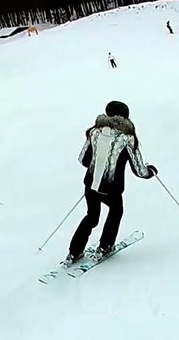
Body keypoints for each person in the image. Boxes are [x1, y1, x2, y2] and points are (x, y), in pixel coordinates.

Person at [65, 100, 158, 264]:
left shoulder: (94, 132)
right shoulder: (127, 138)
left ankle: (74, 252)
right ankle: (105, 246)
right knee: (116, 212)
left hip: (91, 184)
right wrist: (150, 171)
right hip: (112, 189)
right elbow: (139, 170)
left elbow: (83, 160)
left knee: (91, 217)